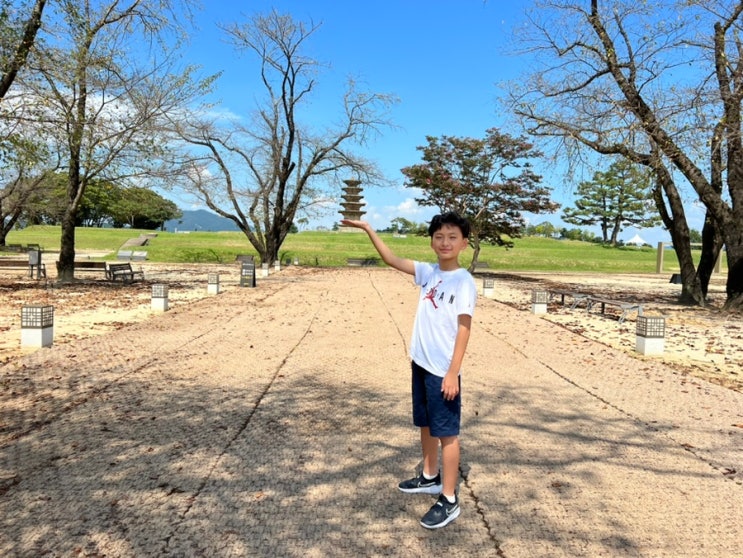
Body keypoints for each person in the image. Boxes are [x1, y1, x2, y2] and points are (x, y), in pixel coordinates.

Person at [340, 212, 476, 529]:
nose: (445, 242)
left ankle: (449, 498)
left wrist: (453, 372)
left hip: (443, 369)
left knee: (448, 434)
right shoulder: (428, 272)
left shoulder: (463, 281)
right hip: (421, 363)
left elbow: (464, 328)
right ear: (431, 241)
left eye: (453, 237)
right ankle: (430, 475)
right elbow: (390, 259)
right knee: (426, 423)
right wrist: (368, 229)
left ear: (464, 243)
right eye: (439, 236)